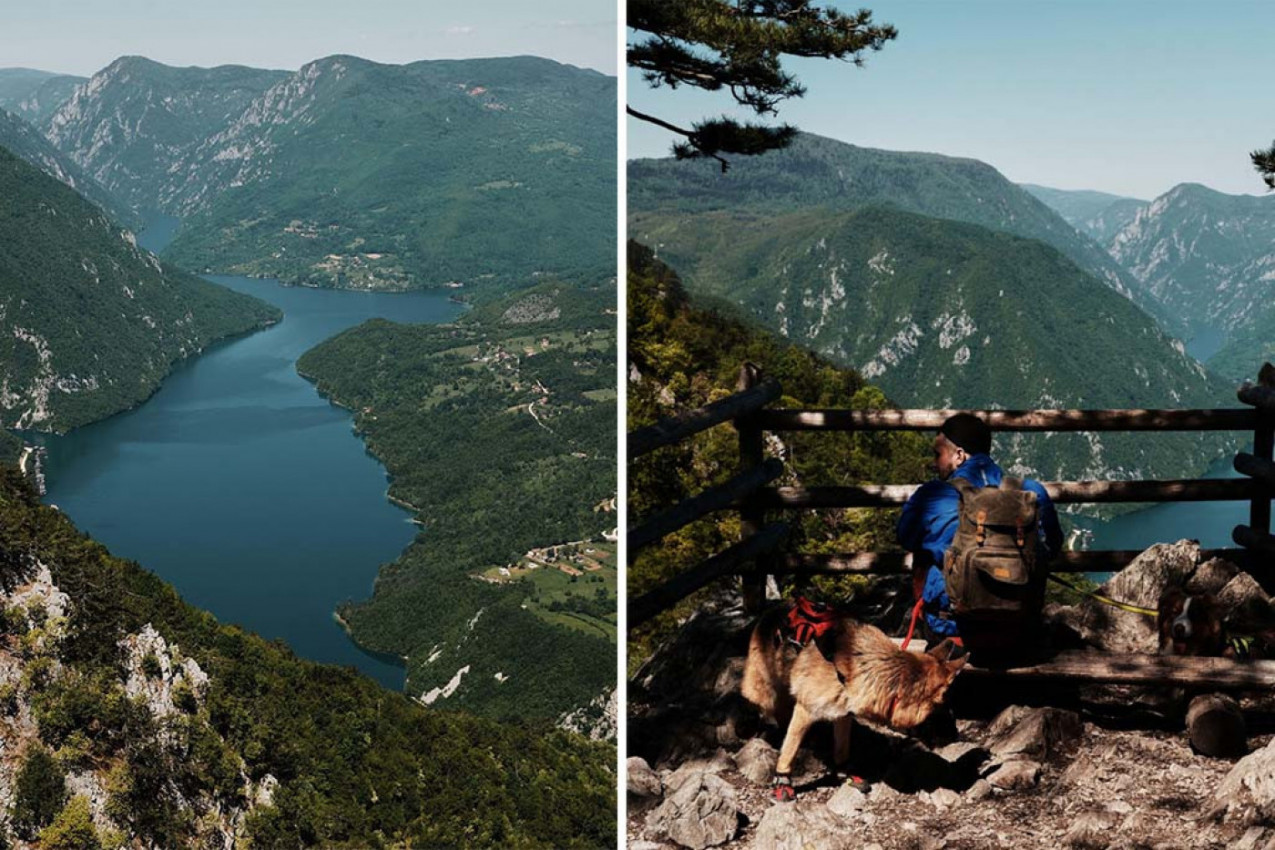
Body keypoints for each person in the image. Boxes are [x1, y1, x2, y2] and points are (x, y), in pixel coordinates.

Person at [896, 413, 1063, 644]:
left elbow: (904, 536)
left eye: (938, 454)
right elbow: (1053, 547)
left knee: (924, 554)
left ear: (959, 455)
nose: (934, 463)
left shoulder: (932, 495)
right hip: (1019, 628)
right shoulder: (1032, 492)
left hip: (953, 630)